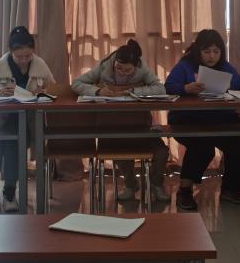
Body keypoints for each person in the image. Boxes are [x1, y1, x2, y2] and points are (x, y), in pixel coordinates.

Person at [72, 39, 171, 203]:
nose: (122, 73)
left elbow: (160, 89)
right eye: (119, 68)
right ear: (115, 62)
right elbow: (76, 83)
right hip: (113, 126)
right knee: (118, 148)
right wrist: (97, 91)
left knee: (161, 152)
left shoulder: (142, 68)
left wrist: (133, 91)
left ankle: (156, 184)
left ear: (136, 66)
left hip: (140, 126)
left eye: (128, 70)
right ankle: (131, 185)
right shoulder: (105, 66)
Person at [165, 29, 240, 210]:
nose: (212, 56)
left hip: (219, 117)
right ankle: (185, 191)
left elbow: (237, 85)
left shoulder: (225, 66)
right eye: (207, 51)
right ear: (198, 51)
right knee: (202, 144)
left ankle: (230, 189)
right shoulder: (185, 65)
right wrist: (186, 88)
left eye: (216, 51)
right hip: (186, 118)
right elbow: (168, 87)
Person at [0, 26, 55, 212]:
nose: (24, 60)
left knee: (13, 146)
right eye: (19, 57)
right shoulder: (0, 66)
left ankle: (9, 193)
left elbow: (53, 90)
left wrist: (43, 92)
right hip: (2, 119)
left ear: (33, 51)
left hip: (29, 122)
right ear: (10, 51)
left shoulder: (40, 65)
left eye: (28, 56)